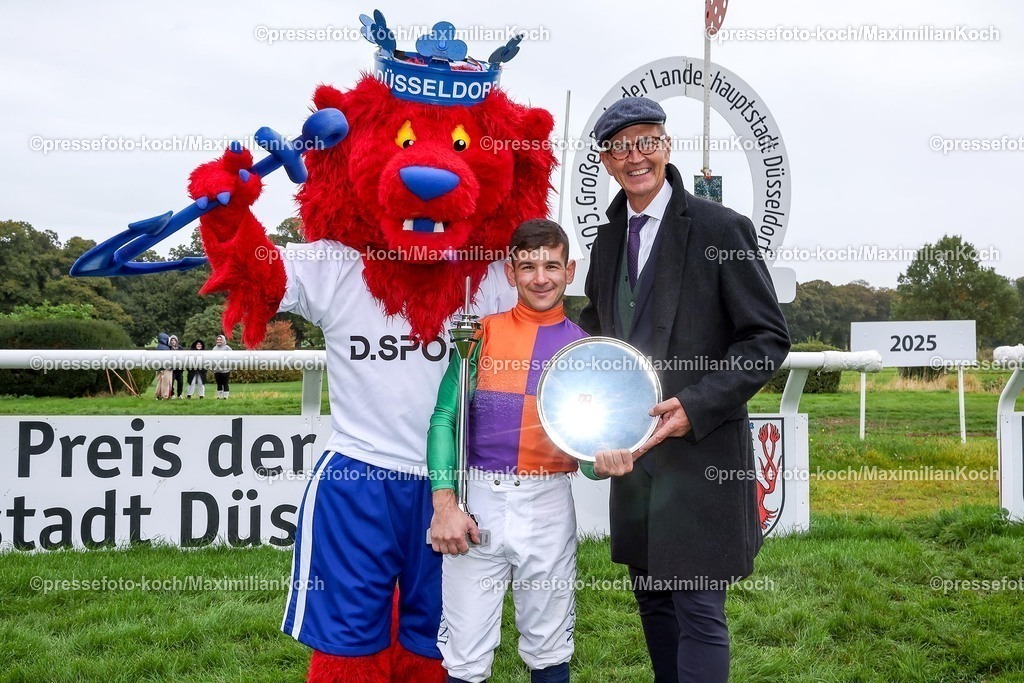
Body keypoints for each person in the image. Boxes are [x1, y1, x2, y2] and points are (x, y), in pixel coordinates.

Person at [577, 97, 791, 683]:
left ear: (667, 148)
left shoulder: (722, 228)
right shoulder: (605, 241)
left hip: (702, 453)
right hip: (636, 461)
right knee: (652, 599)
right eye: (622, 147)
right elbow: (602, 335)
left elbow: (766, 339)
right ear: (606, 161)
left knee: (698, 608)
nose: (636, 155)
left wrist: (694, 406)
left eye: (648, 140)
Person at [427, 219, 635, 683]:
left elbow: (587, 457)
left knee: (549, 647)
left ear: (569, 270)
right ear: (510, 272)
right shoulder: (478, 334)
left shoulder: (585, 349)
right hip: (477, 499)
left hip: (548, 503)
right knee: (464, 653)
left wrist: (607, 464)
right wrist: (445, 505)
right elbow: (444, 418)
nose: (540, 278)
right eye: (528, 267)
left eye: (551, 266)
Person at [154, 332, 173, 400]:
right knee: (166, 383)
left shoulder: (158, 347)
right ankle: (164, 396)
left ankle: (157, 395)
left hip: (158, 368)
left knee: (159, 382)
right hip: (166, 368)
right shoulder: (166, 348)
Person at [212, 334, 232, 399]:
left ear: (223, 340)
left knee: (225, 383)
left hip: (225, 370)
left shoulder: (227, 348)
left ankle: (225, 397)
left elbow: (232, 356)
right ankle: (219, 396)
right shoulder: (214, 348)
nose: (219, 341)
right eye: (217, 340)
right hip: (217, 370)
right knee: (219, 384)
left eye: (220, 340)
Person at [168, 334, 185, 399]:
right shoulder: (169, 348)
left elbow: (183, 357)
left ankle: (179, 394)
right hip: (172, 368)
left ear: (176, 341)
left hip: (179, 368)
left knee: (180, 382)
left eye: (174, 340)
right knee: (171, 382)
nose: (173, 341)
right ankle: (172, 394)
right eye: (172, 340)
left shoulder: (180, 348)